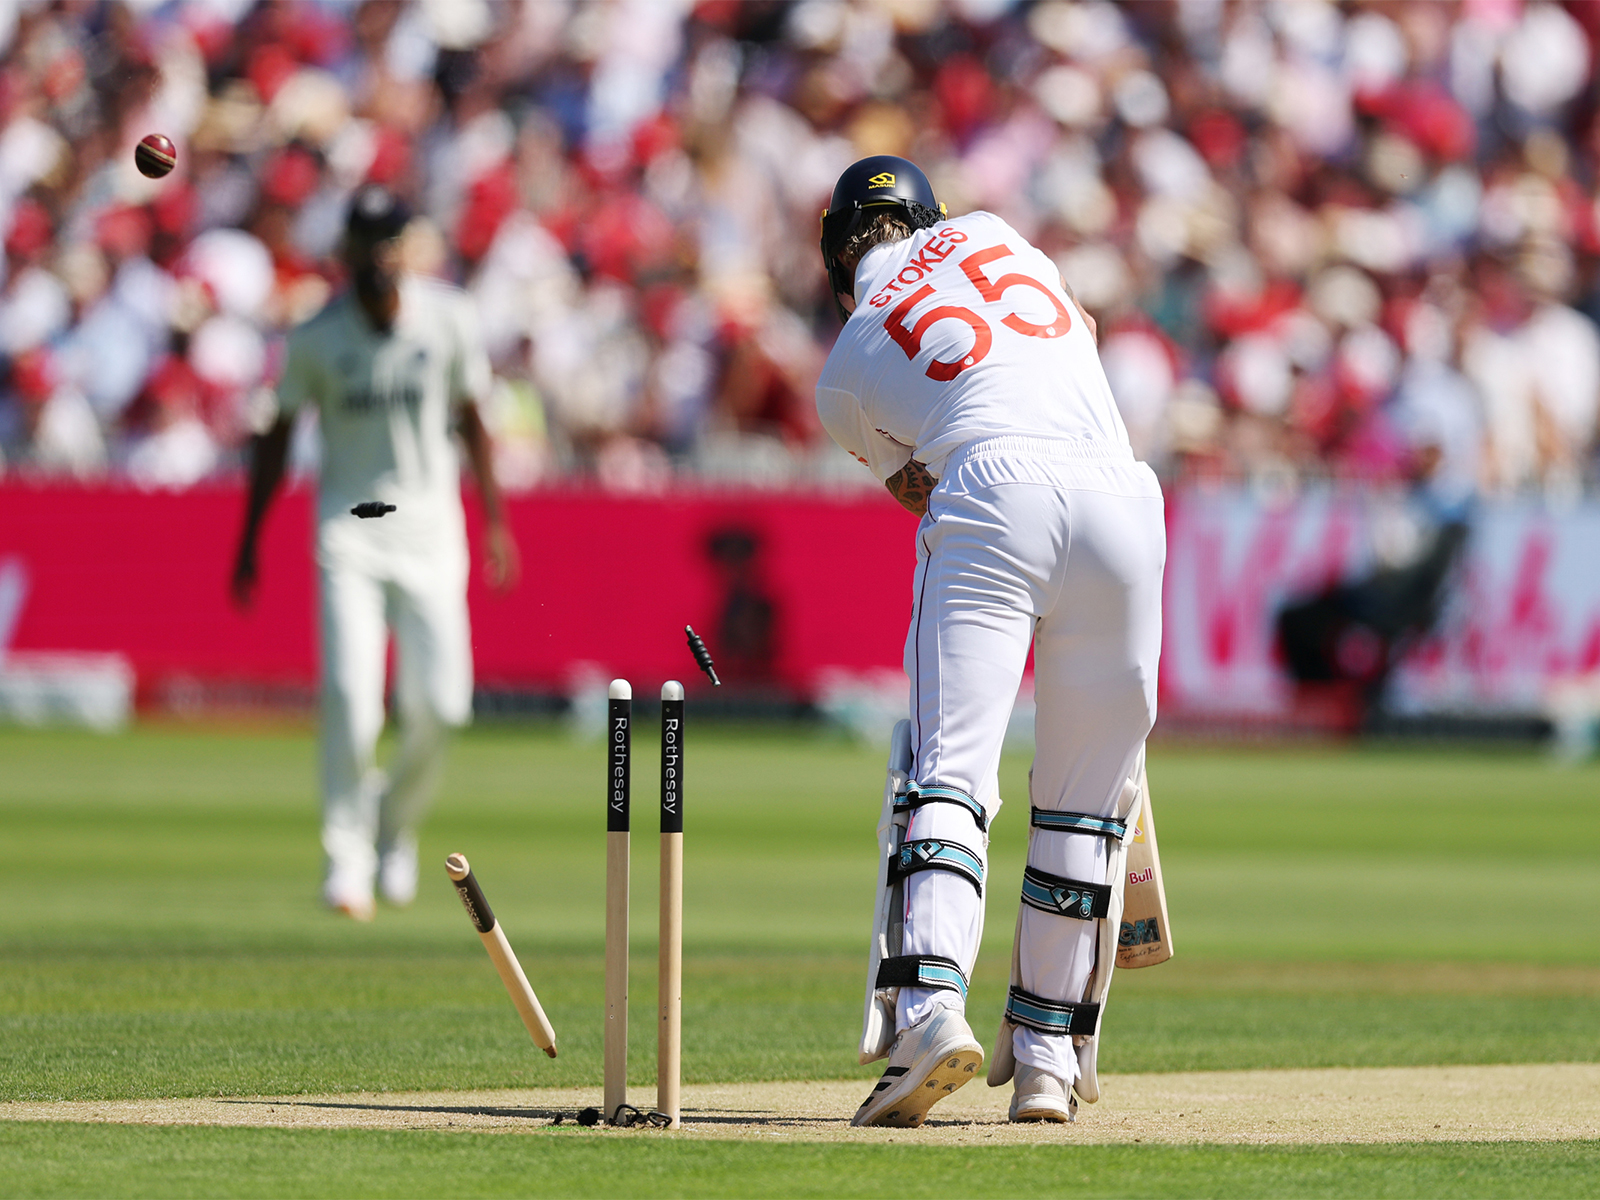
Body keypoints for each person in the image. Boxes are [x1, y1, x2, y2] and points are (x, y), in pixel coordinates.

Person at [815, 157, 1165, 1126]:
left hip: (990, 484)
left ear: (841, 267)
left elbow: (915, 484)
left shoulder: (845, 365)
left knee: (951, 774)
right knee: (1084, 806)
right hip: (1125, 497)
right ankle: (1049, 1054)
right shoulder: (1004, 237)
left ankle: (930, 1009)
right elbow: (1082, 340)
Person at [231, 186, 518, 921]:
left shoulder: (449, 318)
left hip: (429, 529)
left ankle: (393, 825)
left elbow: (472, 420)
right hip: (348, 533)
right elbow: (276, 437)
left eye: (390, 241)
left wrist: (493, 523)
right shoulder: (316, 335)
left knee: (445, 706)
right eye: (367, 243)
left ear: (406, 247)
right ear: (348, 254)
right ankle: (346, 859)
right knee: (351, 700)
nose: (379, 257)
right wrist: (250, 539)